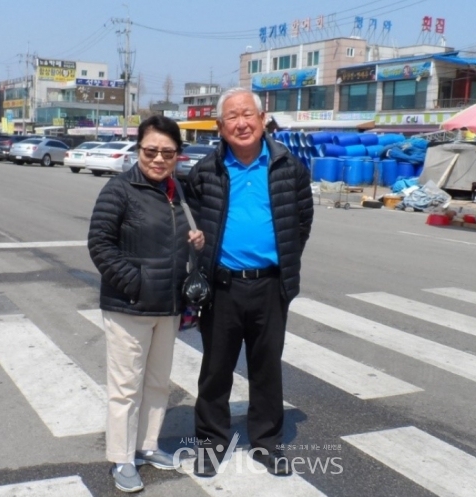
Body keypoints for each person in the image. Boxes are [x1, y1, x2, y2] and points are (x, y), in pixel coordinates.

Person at [186, 87, 313, 477]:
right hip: (221, 287)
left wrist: (282, 264)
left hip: (271, 286)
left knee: (266, 368)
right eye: (231, 117)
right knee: (216, 369)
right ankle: (210, 444)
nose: (241, 123)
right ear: (221, 127)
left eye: (247, 115)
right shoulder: (205, 171)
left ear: (262, 119)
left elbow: (301, 221)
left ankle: (267, 443)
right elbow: (195, 215)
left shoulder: (289, 167)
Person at [88, 115, 204, 493]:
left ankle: (148, 446)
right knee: (125, 387)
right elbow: (100, 246)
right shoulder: (119, 190)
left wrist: (196, 243)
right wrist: (134, 285)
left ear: (178, 156)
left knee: (157, 383)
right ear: (138, 150)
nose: (158, 159)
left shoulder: (180, 193)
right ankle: (122, 458)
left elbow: (179, 243)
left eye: (166, 153)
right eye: (150, 150)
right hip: (129, 306)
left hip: (168, 308)